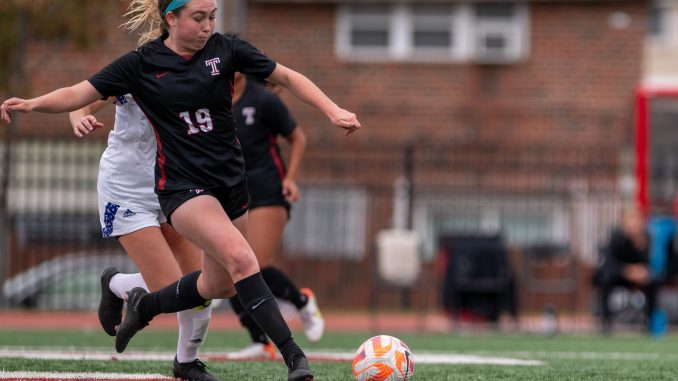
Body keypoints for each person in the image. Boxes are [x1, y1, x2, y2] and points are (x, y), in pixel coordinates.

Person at [0, 0, 361, 379]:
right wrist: (33, 104)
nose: (208, 27)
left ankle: (164, 334)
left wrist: (333, 110)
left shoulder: (225, 50)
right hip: (171, 185)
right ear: (170, 18)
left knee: (215, 286)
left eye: (212, 17)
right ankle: (294, 357)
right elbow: (81, 94)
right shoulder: (140, 65)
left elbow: (287, 77)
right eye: (198, 18)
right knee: (241, 259)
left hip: (227, 183)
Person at [69, 95, 225, 381]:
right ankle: (116, 284)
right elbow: (80, 98)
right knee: (170, 288)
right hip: (126, 188)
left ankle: (186, 362)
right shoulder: (133, 70)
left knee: (202, 284)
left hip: (172, 182)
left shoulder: (194, 73)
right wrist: (79, 117)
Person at [227, 73, 323, 360]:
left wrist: (291, 179)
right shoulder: (209, 97)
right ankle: (259, 340)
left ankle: (302, 301)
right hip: (229, 190)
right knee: (226, 263)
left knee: (253, 262)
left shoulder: (263, 100)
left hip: (267, 188)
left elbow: (298, 138)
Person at [594, 205, 661, 333]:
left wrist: (641, 270)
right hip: (619, 274)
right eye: (631, 219)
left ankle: (649, 322)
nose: (635, 223)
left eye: (638, 219)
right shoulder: (616, 236)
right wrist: (627, 271)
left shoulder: (646, 237)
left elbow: (647, 262)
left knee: (653, 281)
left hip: (636, 276)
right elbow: (610, 262)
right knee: (606, 278)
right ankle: (605, 321)